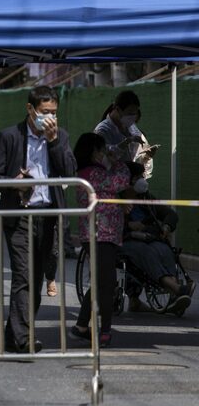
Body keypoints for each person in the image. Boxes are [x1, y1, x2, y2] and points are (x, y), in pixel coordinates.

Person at [0, 86, 76, 352]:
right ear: (30, 109)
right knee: (23, 275)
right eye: (44, 112)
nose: (49, 118)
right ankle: (24, 338)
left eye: (53, 113)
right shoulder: (9, 136)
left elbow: (69, 171)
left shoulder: (60, 136)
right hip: (19, 215)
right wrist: (14, 183)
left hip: (47, 215)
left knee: (36, 278)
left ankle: (13, 334)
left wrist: (55, 141)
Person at [70, 133, 130, 348]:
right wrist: (119, 162)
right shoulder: (94, 174)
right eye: (101, 150)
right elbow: (121, 181)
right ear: (93, 151)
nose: (104, 154)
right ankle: (105, 330)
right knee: (107, 284)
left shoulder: (87, 173)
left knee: (99, 282)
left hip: (99, 235)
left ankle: (81, 326)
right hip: (101, 235)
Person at [120, 162, 194, 315]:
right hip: (127, 241)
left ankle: (174, 295)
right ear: (130, 179)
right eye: (139, 177)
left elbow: (170, 214)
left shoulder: (145, 198)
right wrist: (129, 226)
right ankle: (177, 288)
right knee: (147, 253)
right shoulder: (116, 199)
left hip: (148, 238)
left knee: (165, 249)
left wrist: (166, 226)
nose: (143, 179)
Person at [94, 90, 142, 163]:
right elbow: (105, 159)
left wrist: (146, 155)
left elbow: (136, 154)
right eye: (129, 113)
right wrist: (126, 142)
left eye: (134, 114)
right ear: (118, 109)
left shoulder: (131, 127)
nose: (132, 117)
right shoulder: (103, 130)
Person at [130, 109, 156, 180]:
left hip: (134, 178)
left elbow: (142, 160)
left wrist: (148, 156)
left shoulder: (139, 135)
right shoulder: (110, 131)